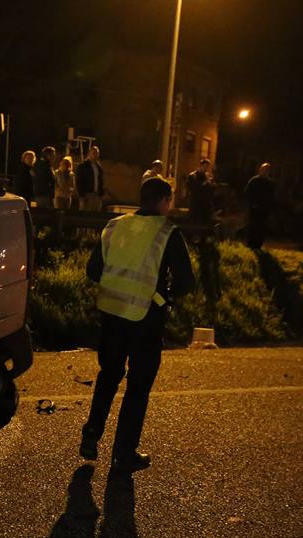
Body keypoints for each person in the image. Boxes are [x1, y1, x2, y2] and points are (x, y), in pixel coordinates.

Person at [79, 177, 196, 472]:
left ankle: (91, 434)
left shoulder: (115, 225)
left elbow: (94, 270)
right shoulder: (167, 231)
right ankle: (124, 453)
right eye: (170, 201)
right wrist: (163, 296)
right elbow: (185, 281)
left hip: (110, 313)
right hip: (146, 319)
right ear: (163, 201)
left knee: (108, 376)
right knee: (138, 387)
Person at [244, 162, 275, 249]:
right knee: (253, 226)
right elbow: (247, 192)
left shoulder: (269, 183)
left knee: (261, 227)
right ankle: (251, 244)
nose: (264, 172)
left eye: (266, 170)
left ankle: (258, 244)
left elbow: (272, 195)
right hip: (254, 208)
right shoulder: (254, 181)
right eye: (263, 169)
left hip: (264, 209)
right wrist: (253, 203)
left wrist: (269, 206)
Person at [185, 158, 216, 223]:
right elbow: (192, 188)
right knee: (195, 221)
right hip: (196, 203)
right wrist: (204, 183)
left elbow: (213, 188)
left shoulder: (208, 175)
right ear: (201, 165)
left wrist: (212, 185)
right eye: (205, 166)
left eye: (207, 167)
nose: (206, 168)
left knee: (205, 222)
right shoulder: (193, 175)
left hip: (205, 204)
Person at [76, 145, 106, 211]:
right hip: (87, 194)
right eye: (93, 153)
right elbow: (79, 181)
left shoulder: (98, 167)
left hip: (97, 194)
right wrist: (81, 195)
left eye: (97, 153)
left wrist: (101, 193)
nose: (95, 155)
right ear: (89, 154)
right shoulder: (83, 166)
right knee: (85, 213)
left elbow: (101, 180)